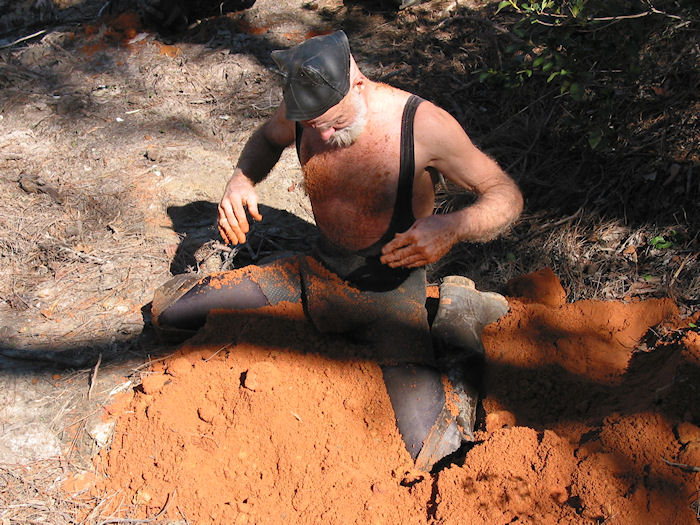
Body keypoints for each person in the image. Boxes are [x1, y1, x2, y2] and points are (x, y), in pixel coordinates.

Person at [151, 30, 523, 470]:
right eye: (313, 127)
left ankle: (459, 311)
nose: (324, 135)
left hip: (392, 296)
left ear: (358, 84)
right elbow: (268, 140)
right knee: (169, 312)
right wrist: (240, 180)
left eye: (335, 122)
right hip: (318, 274)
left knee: (436, 450)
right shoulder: (303, 109)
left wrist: (454, 226)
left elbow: (505, 195)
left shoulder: (421, 125)